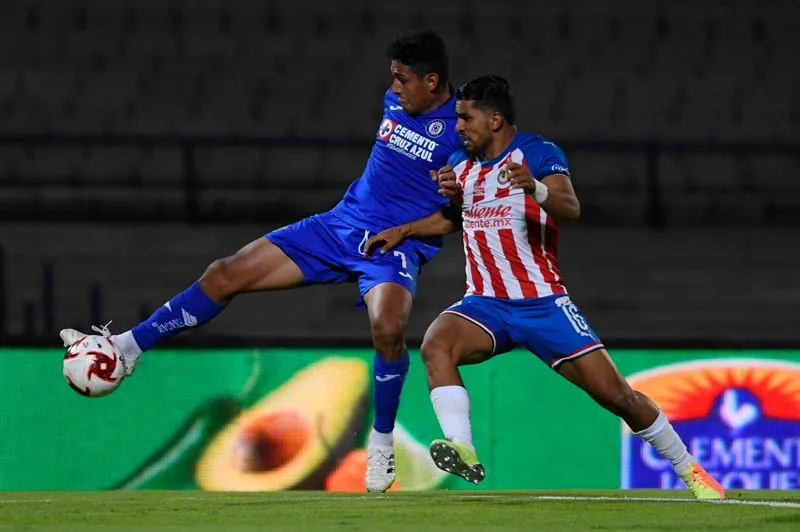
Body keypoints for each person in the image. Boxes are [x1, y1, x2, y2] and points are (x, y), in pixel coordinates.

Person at [59, 29, 462, 493]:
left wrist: (406, 231)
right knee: (225, 272)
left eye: (402, 80)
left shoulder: (461, 126)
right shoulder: (396, 102)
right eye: (392, 78)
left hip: (395, 246)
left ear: (431, 81)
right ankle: (128, 348)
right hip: (339, 225)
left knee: (389, 329)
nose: (394, 88)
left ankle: (382, 441)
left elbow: (459, 214)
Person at [363, 75, 726, 499]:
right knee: (435, 344)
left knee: (618, 396)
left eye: (465, 117)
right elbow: (455, 216)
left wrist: (533, 187)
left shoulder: (537, 153)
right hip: (484, 303)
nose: (458, 126)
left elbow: (570, 208)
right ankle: (464, 447)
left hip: (543, 304)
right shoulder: (460, 164)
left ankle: (691, 471)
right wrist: (404, 230)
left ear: (494, 119)